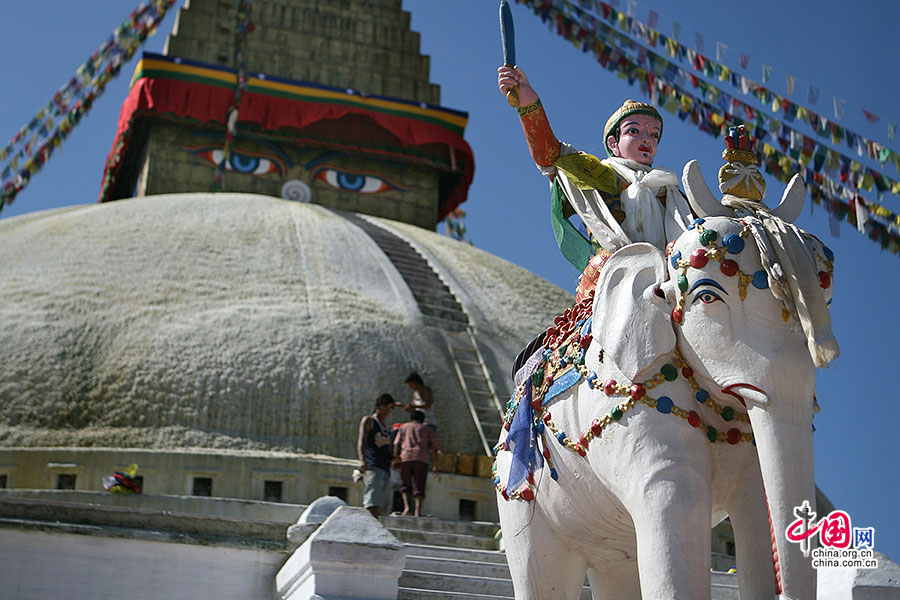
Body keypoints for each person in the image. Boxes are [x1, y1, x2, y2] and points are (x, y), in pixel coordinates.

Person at [497, 65, 692, 300]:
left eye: (654, 135)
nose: (646, 140)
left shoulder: (670, 191)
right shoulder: (598, 173)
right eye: (634, 131)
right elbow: (550, 156)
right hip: (610, 279)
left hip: (667, 282)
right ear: (613, 143)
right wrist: (529, 105)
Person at [392, 409, 439, 517]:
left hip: (406, 457)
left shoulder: (403, 427)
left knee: (405, 484)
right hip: (421, 459)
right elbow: (435, 447)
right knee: (419, 485)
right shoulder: (426, 429)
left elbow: (396, 443)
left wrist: (395, 458)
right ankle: (418, 511)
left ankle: (407, 508)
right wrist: (435, 465)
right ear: (422, 419)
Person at [357, 393, 395, 518]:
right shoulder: (369, 421)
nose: (387, 411)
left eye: (390, 409)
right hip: (373, 465)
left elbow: (388, 449)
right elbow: (362, 441)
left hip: (385, 467)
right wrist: (362, 460)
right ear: (377, 406)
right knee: (372, 503)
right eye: (385, 407)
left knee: (382, 506)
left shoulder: (387, 428)